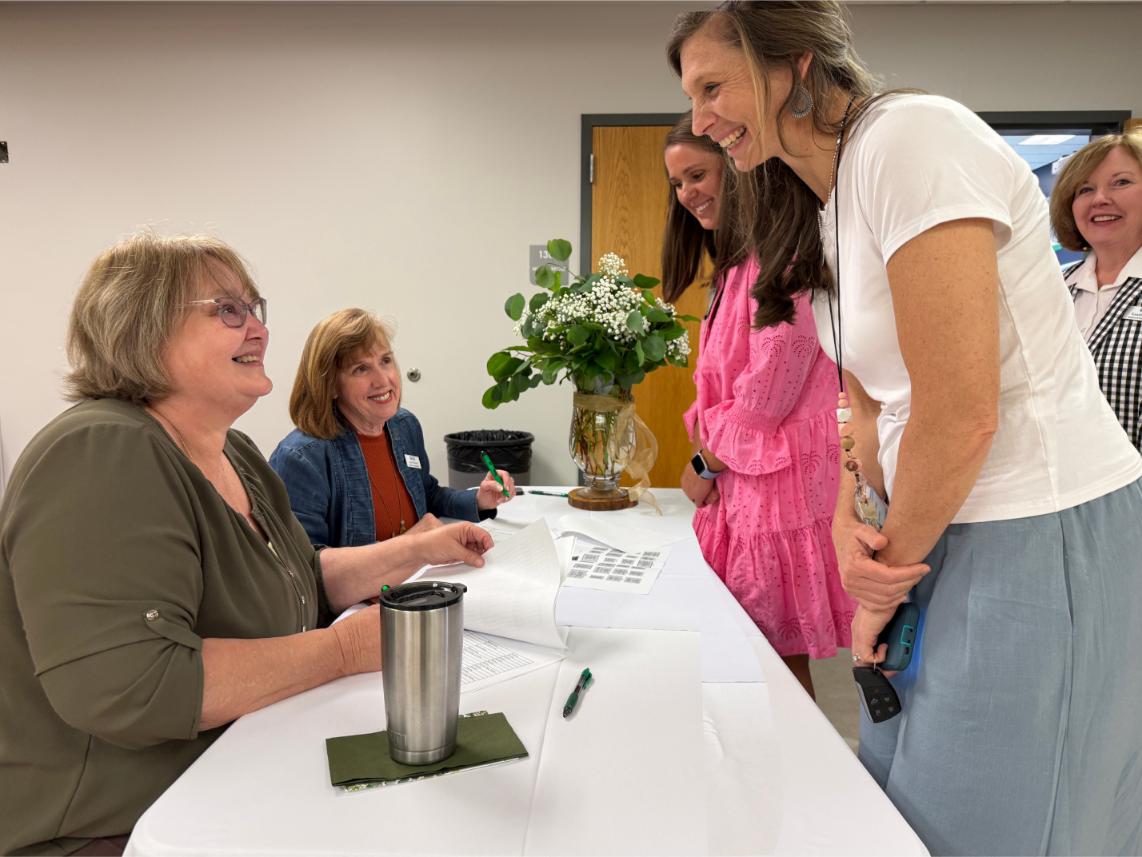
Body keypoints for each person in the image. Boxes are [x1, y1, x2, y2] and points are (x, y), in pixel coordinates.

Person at [669, 3, 1142, 855]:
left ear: (796, 64)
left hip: (1033, 522)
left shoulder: (911, 140)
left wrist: (879, 577)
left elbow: (961, 411)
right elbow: (866, 398)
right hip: (927, 524)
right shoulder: (825, 201)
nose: (701, 120)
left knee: (999, 821)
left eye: (714, 85)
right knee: (903, 806)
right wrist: (858, 515)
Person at [0, 234, 493, 855]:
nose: (258, 330)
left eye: (255, 308)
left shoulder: (234, 452)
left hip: (238, 777)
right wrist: (340, 650)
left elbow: (302, 577)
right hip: (123, 827)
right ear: (142, 329)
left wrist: (422, 548)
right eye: (228, 310)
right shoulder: (100, 449)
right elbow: (134, 686)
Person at [664, 113, 851, 698]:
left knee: (772, 658)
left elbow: (766, 392)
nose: (688, 193)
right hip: (745, 486)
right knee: (751, 649)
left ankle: (789, 777)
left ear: (737, 170)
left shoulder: (783, 257)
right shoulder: (735, 265)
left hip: (777, 490)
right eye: (677, 183)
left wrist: (703, 466)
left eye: (697, 174)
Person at [269, 308, 514, 549]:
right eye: (361, 369)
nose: (383, 380)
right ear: (330, 386)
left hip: (420, 578)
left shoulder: (403, 426)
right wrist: (410, 545)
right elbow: (304, 571)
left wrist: (479, 499)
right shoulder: (302, 458)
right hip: (373, 589)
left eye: (385, 361)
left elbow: (427, 495)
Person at [1050, 130, 1142, 450]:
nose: (1100, 198)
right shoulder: (1054, 287)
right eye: (1085, 189)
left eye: (1121, 182)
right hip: (1065, 485)